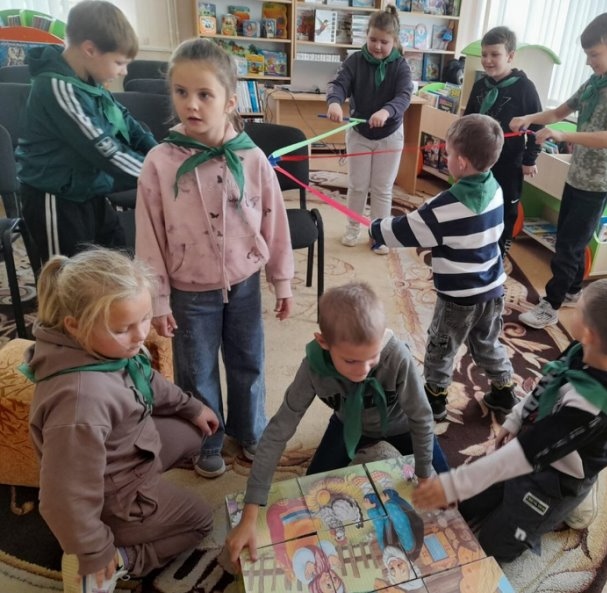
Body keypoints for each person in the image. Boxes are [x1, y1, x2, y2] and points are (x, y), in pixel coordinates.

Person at [134, 38, 294, 479]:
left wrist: (281, 280)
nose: (192, 104)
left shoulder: (252, 157)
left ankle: (251, 430)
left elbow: (273, 220)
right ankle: (207, 439)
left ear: (230, 101)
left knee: (249, 362)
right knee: (196, 371)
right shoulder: (159, 162)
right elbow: (148, 238)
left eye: (205, 94)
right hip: (189, 290)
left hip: (244, 282)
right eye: (181, 92)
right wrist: (157, 300)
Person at [411, 278, 607, 562]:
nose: (571, 310)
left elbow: (526, 453)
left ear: (590, 333)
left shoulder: (593, 407)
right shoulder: (584, 349)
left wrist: (454, 484)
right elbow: (549, 381)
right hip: (540, 440)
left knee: (497, 545)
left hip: (558, 479)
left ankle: (572, 506)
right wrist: (516, 419)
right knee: (469, 504)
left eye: (578, 308)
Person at [24, 248, 218, 593]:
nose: (141, 334)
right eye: (123, 328)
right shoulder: (81, 403)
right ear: (75, 326)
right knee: (201, 520)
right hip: (116, 495)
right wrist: (93, 550)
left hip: (126, 450)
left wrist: (191, 407)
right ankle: (119, 558)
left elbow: (146, 380)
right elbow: (63, 496)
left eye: (144, 318)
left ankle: (136, 510)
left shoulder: (101, 349)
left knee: (192, 431)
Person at [224, 282, 449, 568]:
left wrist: (425, 475)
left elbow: (422, 417)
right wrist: (250, 514)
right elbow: (278, 432)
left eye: (372, 357)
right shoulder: (312, 367)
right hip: (347, 425)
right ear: (323, 343)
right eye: (351, 360)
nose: (363, 370)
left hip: (401, 425)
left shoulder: (396, 356)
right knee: (313, 493)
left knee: (450, 493)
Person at [369, 114, 518, 421]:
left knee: (441, 346)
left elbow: (404, 231)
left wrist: (374, 228)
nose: (446, 158)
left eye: (448, 154)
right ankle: (504, 390)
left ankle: (434, 401)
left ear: (461, 162)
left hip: (458, 298)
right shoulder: (496, 188)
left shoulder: (443, 207)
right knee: (487, 341)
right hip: (492, 290)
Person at [510, 13, 607, 329]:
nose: (589, 62)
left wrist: (562, 135)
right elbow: (558, 112)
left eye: (594, 55)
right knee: (572, 240)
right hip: (577, 175)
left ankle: (550, 305)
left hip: (598, 182)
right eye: (587, 55)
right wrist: (530, 118)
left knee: (568, 245)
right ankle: (572, 290)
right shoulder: (596, 81)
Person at [16, 0, 157, 262]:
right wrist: (158, 171)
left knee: (118, 261)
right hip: (56, 199)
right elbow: (104, 149)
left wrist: (158, 152)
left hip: (88, 189)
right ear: (90, 49)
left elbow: (125, 121)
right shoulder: (57, 89)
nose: (124, 71)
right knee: (67, 276)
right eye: (119, 62)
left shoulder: (89, 82)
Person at [326, 5, 413, 255]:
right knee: (357, 185)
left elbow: (404, 96)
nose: (377, 46)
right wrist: (334, 102)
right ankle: (353, 227)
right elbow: (338, 84)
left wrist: (386, 112)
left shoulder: (401, 66)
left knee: (382, 188)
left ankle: (379, 234)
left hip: (390, 135)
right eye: (373, 39)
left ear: (394, 41)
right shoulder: (354, 60)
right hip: (359, 133)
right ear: (366, 36)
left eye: (384, 42)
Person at [464, 26, 543, 257]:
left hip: (508, 162)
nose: (487, 60)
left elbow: (537, 126)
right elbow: (467, 120)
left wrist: (529, 159)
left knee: (504, 207)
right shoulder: (480, 85)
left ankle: (499, 249)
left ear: (510, 56)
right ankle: (472, 244)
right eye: (484, 54)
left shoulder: (525, 88)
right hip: (477, 160)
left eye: (495, 54)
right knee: (474, 202)